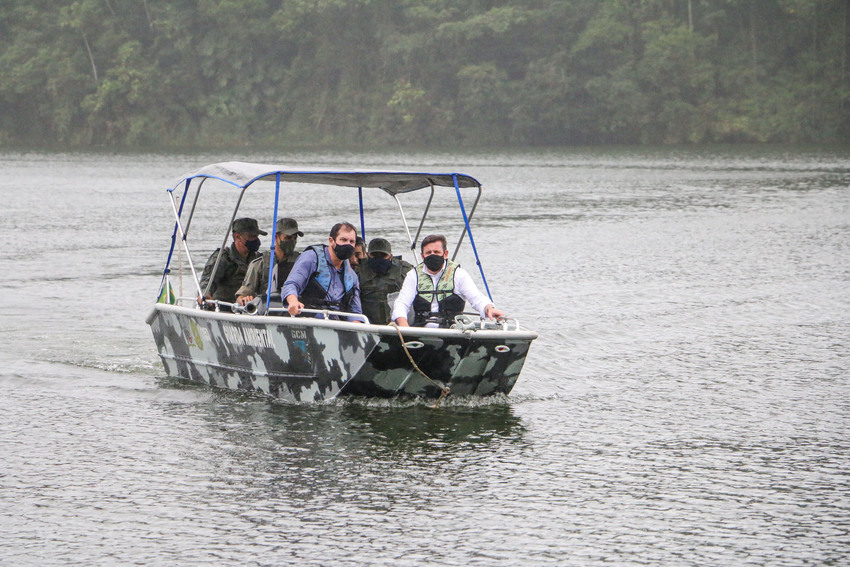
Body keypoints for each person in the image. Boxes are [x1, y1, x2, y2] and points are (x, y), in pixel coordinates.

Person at [392, 234, 504, 327]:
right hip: (420, 331)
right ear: (422, 256)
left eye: (436, 252)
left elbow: (476, 298)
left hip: (451, 331)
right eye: (428, 253)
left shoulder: (458, 274)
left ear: (445, 254)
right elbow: (402, 303)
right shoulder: (413, 275)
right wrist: (404, 327)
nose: (432, 255)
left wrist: (489, 308)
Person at [282, 222, 362, 319]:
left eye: (351, 242)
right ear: (331, 241)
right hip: (308, 320)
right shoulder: (311, 258)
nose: (348, 245)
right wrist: (293, 301)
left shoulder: (352, 276)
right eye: (343, 240)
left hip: (337, 325)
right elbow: (291, 284)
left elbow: (356, 311)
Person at [235, 217, 303, 306]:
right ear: (276, 237)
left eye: (294, 238)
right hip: (267, 310)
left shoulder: (301, 262)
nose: (292, 241)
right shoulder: (259, 264)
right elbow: (243, 295)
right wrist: (243, 299)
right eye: (287, 238)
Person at [198, 217, 266, 303]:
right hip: (224, 308)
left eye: (256, 237)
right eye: (251, 237)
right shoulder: (223, 258)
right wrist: (205, 294)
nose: (255, 241)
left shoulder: (258, 259)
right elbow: (208, 280)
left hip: (249, 307)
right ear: (237, 237)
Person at [355, 237, 413, 324]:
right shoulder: (359, 272)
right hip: (369, 325)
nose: (379, 259)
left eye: (383, 256)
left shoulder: (404, 270)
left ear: (390, 256)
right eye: (374, 255)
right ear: (367, 255)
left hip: (397, 324)